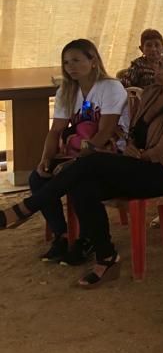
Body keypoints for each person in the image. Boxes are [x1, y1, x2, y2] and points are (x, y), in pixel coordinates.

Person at [1, 45, 163, 287]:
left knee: (91, 161)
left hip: (162, 172)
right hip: (137, 164)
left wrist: (137, 154)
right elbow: (132, 131)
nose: (158, 70)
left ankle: (26, 208)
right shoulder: (153, 92)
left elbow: (162, 153)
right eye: (159, 65)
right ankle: (106, 256)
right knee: (83, 186)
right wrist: (131, 147)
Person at [27, 38, 129, 260]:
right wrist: (46, 158)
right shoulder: (67, 90)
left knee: (78, 180)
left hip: (109, 154)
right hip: (77, 153)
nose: (70, 67)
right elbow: (56, 131)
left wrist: (76, 162)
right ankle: (63, 235)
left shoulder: (110, 87)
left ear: (93, 61)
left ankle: (88, 238)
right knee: (38, 178)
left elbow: (105, 133)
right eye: (66, 62)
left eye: (76, 60)